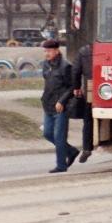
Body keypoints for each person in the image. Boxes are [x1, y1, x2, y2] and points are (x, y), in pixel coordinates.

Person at [41, 39, 79, 172]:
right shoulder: (46, 65)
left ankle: (61, 165)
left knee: (59, 136)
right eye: (45, 51)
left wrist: (62, 101)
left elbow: (72, 87)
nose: (47, 53)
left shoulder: (65, 66)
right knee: (47, 133)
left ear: (56, 51)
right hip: (48, 105)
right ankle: (71, 151)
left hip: (60, 107)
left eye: (49, 51)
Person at [72, 42, 93, 163]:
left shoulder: (83, 51)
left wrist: (76, 87)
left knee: (88, 119)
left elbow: (75, 71)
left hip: (91, 87)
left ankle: (86, 148)